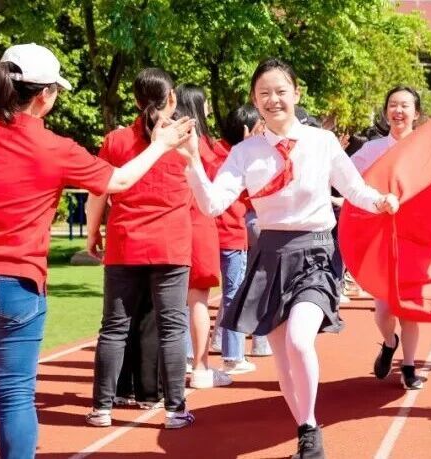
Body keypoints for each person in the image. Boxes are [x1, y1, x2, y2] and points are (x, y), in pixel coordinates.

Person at [0, 44, 192, 457]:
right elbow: (118, 182)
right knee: (15, 398)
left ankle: (103, 403)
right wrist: (161, 145)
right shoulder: (56, 148)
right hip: (17, 285)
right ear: (45, 95)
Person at [183, 58, 399, 458]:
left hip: (315, 252)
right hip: (269, 256)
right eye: (263, 93)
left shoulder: (322, 142)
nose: (273, 100)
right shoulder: (245, 152)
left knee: (300, 340)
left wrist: (380, 201)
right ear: (254, 100)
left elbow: (354, 190)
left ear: (296, 94)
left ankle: (310, 426)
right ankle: (307, 431)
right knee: (282, 355)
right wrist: (193, 160)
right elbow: (213, 204)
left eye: (281, 91)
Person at [85, 68, 199, 429]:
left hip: (125, 243)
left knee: (114, 328)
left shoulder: (116, 140)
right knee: (172, 328)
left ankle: (102, 408)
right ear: (172, 98)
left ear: (135, 100)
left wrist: (92, 232)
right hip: (171, 245)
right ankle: (175, 410)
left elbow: (98, 191)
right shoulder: (186, 139)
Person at [349, 86, 427, 390]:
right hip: (381, 237)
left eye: (405, 105)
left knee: (409, 309)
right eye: (393, 105)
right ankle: (389, 342)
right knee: (383, 311)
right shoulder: (372, 149)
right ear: (385, 112)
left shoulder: (427, 147)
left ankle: (409, 367)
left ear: (416, 113)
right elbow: (348, 179)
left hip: (416, 238)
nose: (398, 111)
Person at [174, 84, 233, 388]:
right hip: (199, 224)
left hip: (170, 223)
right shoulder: (208, 148)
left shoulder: (166, 142)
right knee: (198, 300)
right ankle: (200, 367)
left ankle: (166, 369)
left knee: (167, 300)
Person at [210, 105, 268, 369]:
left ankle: (193, 355)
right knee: (235, 294)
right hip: (232, 232)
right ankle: (234, 356)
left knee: (195, 297)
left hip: (210, 233)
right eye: (259, 128)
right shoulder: (240, 157)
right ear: (247, 130)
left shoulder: (212, 151)